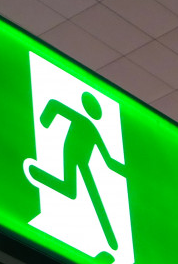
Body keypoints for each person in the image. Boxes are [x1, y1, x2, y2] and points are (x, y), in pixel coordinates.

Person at [25, 92, 125, 250]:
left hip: (82, 159)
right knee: (80, 190)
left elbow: (107, 159)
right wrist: (45, 119)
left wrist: (122, 170)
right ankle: (112, 241)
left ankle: (112, 242)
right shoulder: (84, 122)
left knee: (75, 190)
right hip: (71, 153)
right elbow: (55, 105)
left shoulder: (91, 127)